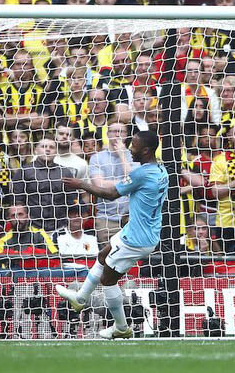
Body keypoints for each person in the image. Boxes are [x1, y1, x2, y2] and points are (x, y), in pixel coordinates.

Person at [55, 129, 168, 340]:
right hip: (144, 230)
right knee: (102, 256)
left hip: (136, 238)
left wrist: (81, 184)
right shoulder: (161, 169)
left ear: (145, 150)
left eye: (133, 146)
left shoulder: (141, 174)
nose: (129, 149)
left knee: (108, 279)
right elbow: (144, 198)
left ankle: (121, 327)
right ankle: (80, 297)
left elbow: (110, 194)